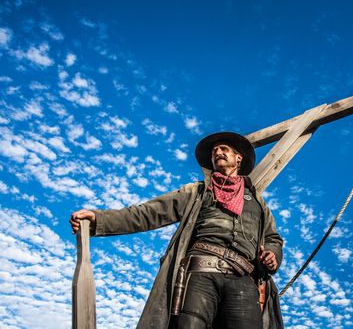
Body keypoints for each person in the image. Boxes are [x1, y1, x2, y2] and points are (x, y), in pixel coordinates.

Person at [70, 132, 284, 329]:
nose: (217, 153)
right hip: (200, 271)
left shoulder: (257, 202)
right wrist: (99, 219)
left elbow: (272, 237)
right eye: (214, 151)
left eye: (224, 149)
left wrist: (273, 254)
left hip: (243, 277)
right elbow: (148, 213)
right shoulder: (198, 192)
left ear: (239, 159)